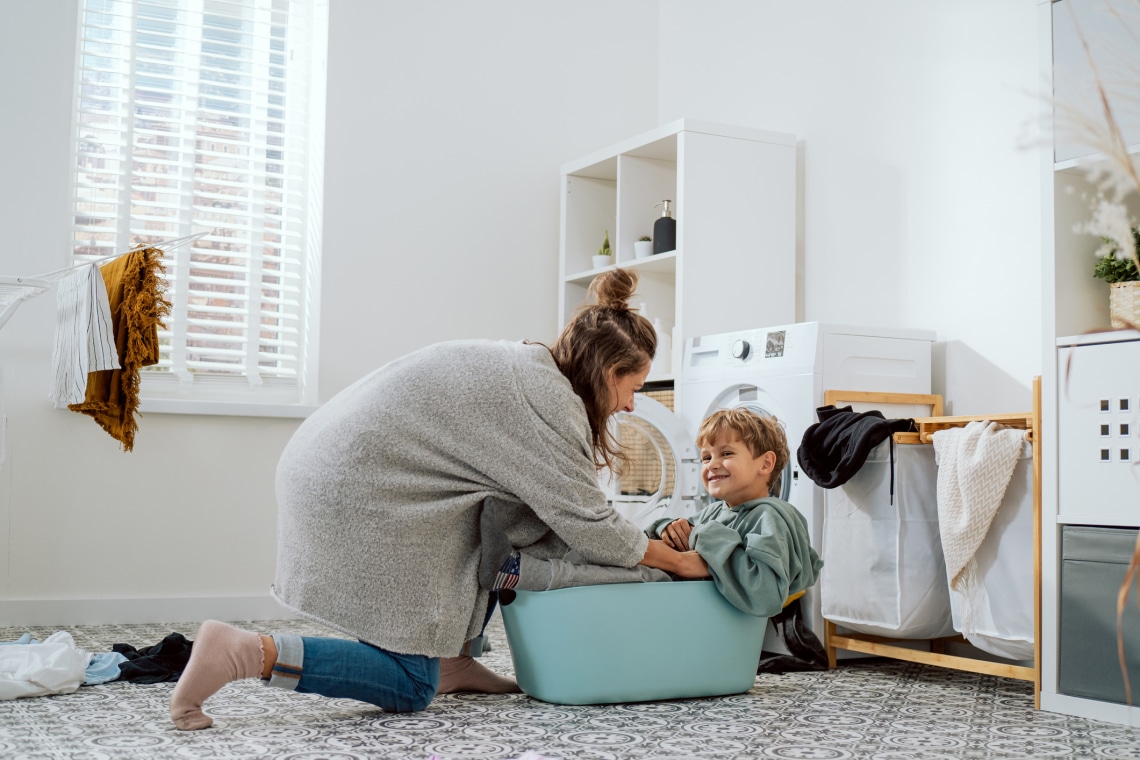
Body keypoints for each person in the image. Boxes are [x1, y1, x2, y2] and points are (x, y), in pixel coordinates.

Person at [169, 268, 710, 730]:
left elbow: (527, 519)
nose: (633, 406)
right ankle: (244, 652)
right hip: (358, 492)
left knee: (505, 526)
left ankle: (453, 663)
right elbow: (589, 524)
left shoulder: (532, 369)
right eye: (633, 388)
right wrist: (676, 561)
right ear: (605, 373)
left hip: (336, 466)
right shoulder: (549, 403)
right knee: (408, 685)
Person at [484, 407, 821, 618]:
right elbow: (695, 533)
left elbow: (765, 595)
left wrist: (699, 536)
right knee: (620, 548)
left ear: (765, 463)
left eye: (726, 453)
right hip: (677, 598)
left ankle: (519, 572)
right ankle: (528, 551)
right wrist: (667, 529)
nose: (712, 464)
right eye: (705, 458)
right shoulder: (718, 512)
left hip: (677, 597)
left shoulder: (771, 517)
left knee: (634, 574)